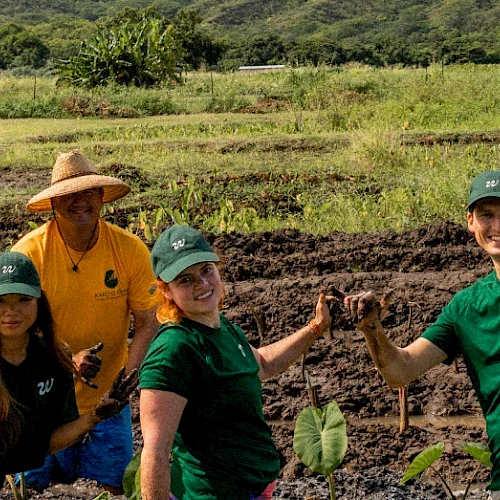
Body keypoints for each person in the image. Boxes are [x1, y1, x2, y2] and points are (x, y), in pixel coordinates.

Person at [139, 225, 335, 500]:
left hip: (253, 488)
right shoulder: (173, 350)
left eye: (206, 270)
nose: (202, 284)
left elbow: (263, 364)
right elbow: (156, 450)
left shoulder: (223, 329)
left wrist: (315, 327)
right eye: (185, 280)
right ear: (165, 290)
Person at [343, 170, 500, 499]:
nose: (497, 226)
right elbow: (401, 369)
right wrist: (372, 329)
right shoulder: (466, 309)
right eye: (487, 215)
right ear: (471, 221)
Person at [11, 150, 159, 493]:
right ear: (53, 203)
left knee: (116, 487)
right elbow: (13, 333)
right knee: (29, 489)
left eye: (88, 192)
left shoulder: (129, 250)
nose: (79, 201)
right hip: (40, 403)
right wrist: (65, 362)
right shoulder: (29, 255)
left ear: (101, 198)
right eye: (69, 195)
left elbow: (148, 321)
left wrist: (126, 379)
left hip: (106, 401)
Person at [0, 251, 137, 484]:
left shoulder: (52, 360)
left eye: (23, 299)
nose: (11, 311)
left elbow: (47, 442)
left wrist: (94, 416)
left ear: (39, 303)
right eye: (1, 300)